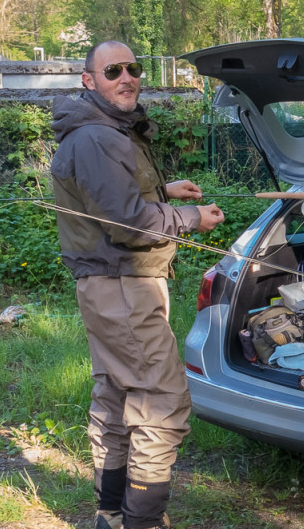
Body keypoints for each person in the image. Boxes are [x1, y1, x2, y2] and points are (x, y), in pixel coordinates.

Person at [50, 40, 225, 529]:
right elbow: (126, 223)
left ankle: (110, 513)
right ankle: (142, 522)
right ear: (90, 81)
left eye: (133, 68)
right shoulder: (98, 137)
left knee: (116, 395)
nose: (126, 77)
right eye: (112, 71)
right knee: (160, 400)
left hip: (109, 286)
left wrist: (163, 192)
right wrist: (189, 216)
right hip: (124, 285)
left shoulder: (99, 131)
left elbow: (105, 198)